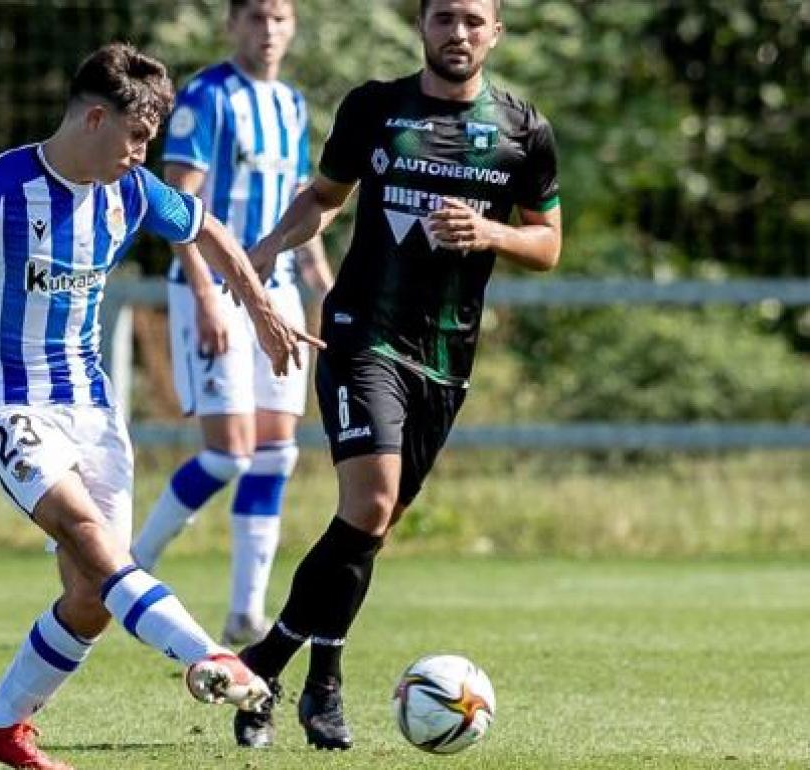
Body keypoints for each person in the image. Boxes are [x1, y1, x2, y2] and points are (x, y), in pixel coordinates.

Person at [0, 43, 324, 770]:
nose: (142, 152)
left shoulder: (131, 191)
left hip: (90, 406)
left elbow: (210, 230)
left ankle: (0, 726)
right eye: (137, 136)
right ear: (95, 117)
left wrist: (259, 308)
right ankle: (207, 655)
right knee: (91, 536)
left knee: (90, 595)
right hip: (5, 403)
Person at [231, 0, 562, 750]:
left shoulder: (523, 131)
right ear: (422, 26)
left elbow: (548, 244)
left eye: (475, 20)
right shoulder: (376, 108)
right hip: (362, 335)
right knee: (371, 502)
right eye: (444, 18)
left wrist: (489, 231)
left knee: (369, 528)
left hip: (446, 358)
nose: (460, 33)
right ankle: (293, 674)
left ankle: (290, 673)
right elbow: (324, 198)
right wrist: (267, 249)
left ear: (496, 33)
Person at [130, 0, 333, 648]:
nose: (268, 30)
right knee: (228, 453)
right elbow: (177, 206)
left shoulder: (292, 106)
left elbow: (305, 205)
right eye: (255, 17)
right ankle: (130, 565)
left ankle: (246, 611)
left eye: (279, 18)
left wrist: (320, 278)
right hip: (212, 292)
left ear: (293, 26)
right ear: (232, 25)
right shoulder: (206, 97)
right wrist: (206, 294)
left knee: (276, 453)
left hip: (278, 296)